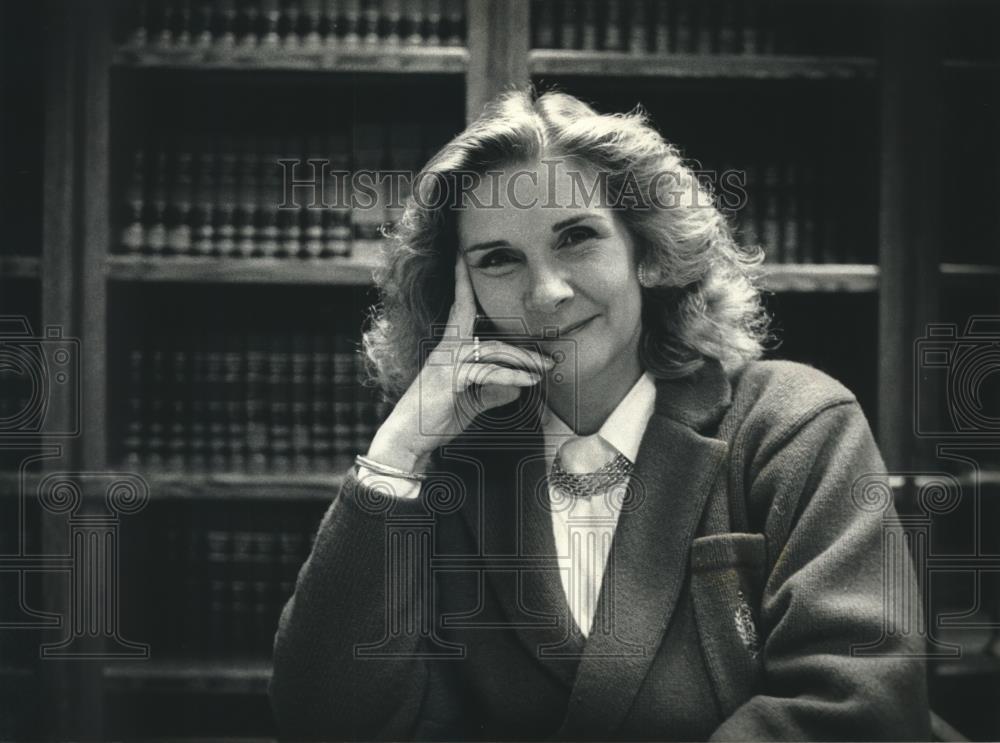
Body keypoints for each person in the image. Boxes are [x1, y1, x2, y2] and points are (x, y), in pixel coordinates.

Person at [269, 90, 930, 741]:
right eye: (499, 259)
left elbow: (859, 706)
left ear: (645, 251)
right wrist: (398, 449)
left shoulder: (793, 424)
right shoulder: (448, 462)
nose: (546, 292)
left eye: (577, 237)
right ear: (458, 294)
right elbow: (327, 721)